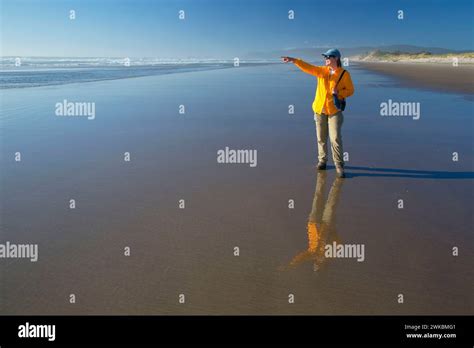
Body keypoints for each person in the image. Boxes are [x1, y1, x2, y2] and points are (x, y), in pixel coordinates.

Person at [282, 49, 354, 178]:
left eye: (328, 56)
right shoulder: (322, 71)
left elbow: (350, 90)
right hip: (319, 109)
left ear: (336, 58)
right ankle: (322, 161)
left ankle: (339, 165)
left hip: (334, 111)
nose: (326, 58)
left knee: (335, 138)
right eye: (325, 56)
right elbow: (308, 68)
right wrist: (294, 60)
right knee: (321, 138)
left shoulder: (344, 74)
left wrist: (339, 93)